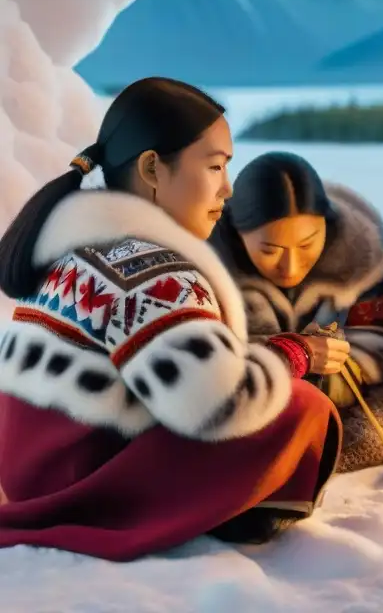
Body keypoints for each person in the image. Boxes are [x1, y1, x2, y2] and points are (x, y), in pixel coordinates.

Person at [0, 78, 342, 561]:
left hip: (29, 468)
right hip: (77, 480)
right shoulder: (150, 270)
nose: (227, 189)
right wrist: (295, 354)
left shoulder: (77, 244)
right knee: (300, 407)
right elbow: (217, 404)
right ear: (153, 168)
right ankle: (214, 514)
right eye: (215, 166)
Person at [209, 152, 383, 472]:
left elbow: (378, 342)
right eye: (270, 250)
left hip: (357, 391)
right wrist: (294, 355)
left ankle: (304, 461)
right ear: (237, 231)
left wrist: (337, 366)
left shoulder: (363, 255)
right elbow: (210, 365)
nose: (291, 266)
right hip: (249, 396)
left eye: (307, 244)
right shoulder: (207, 264)